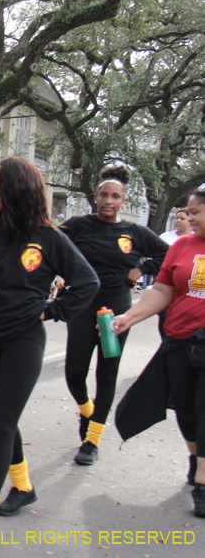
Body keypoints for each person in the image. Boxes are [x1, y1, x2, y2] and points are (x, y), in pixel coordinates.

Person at [0, 157, 99, 547]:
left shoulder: (49, 238)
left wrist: (50, 310)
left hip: (24, 340)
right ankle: (24, 487)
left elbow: (87, 282)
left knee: (1, 423)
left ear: (14, 190)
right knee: (3, 417)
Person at [60, 165, 169, 465]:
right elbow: (49, 244)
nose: (108, 200)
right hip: (82, 306)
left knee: (106, 374)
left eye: (115, 196)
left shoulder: (135, 232)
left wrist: (140, 270)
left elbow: (166, 255)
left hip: (115, 310)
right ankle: (88, 411)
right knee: (74, 374)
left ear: (123, 201)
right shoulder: (78, 225)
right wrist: (60, 274)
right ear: (95, 197)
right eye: (103, 195)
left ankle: (92, 441)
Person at [112, 187, 205, 516]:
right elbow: (163, 289)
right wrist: (130, 316)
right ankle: (196, 458)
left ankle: (203, 482)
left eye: (195, 212)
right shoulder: (181, 246)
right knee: (187, 409)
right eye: (188, 212)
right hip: (179, 340)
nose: (189, 218)